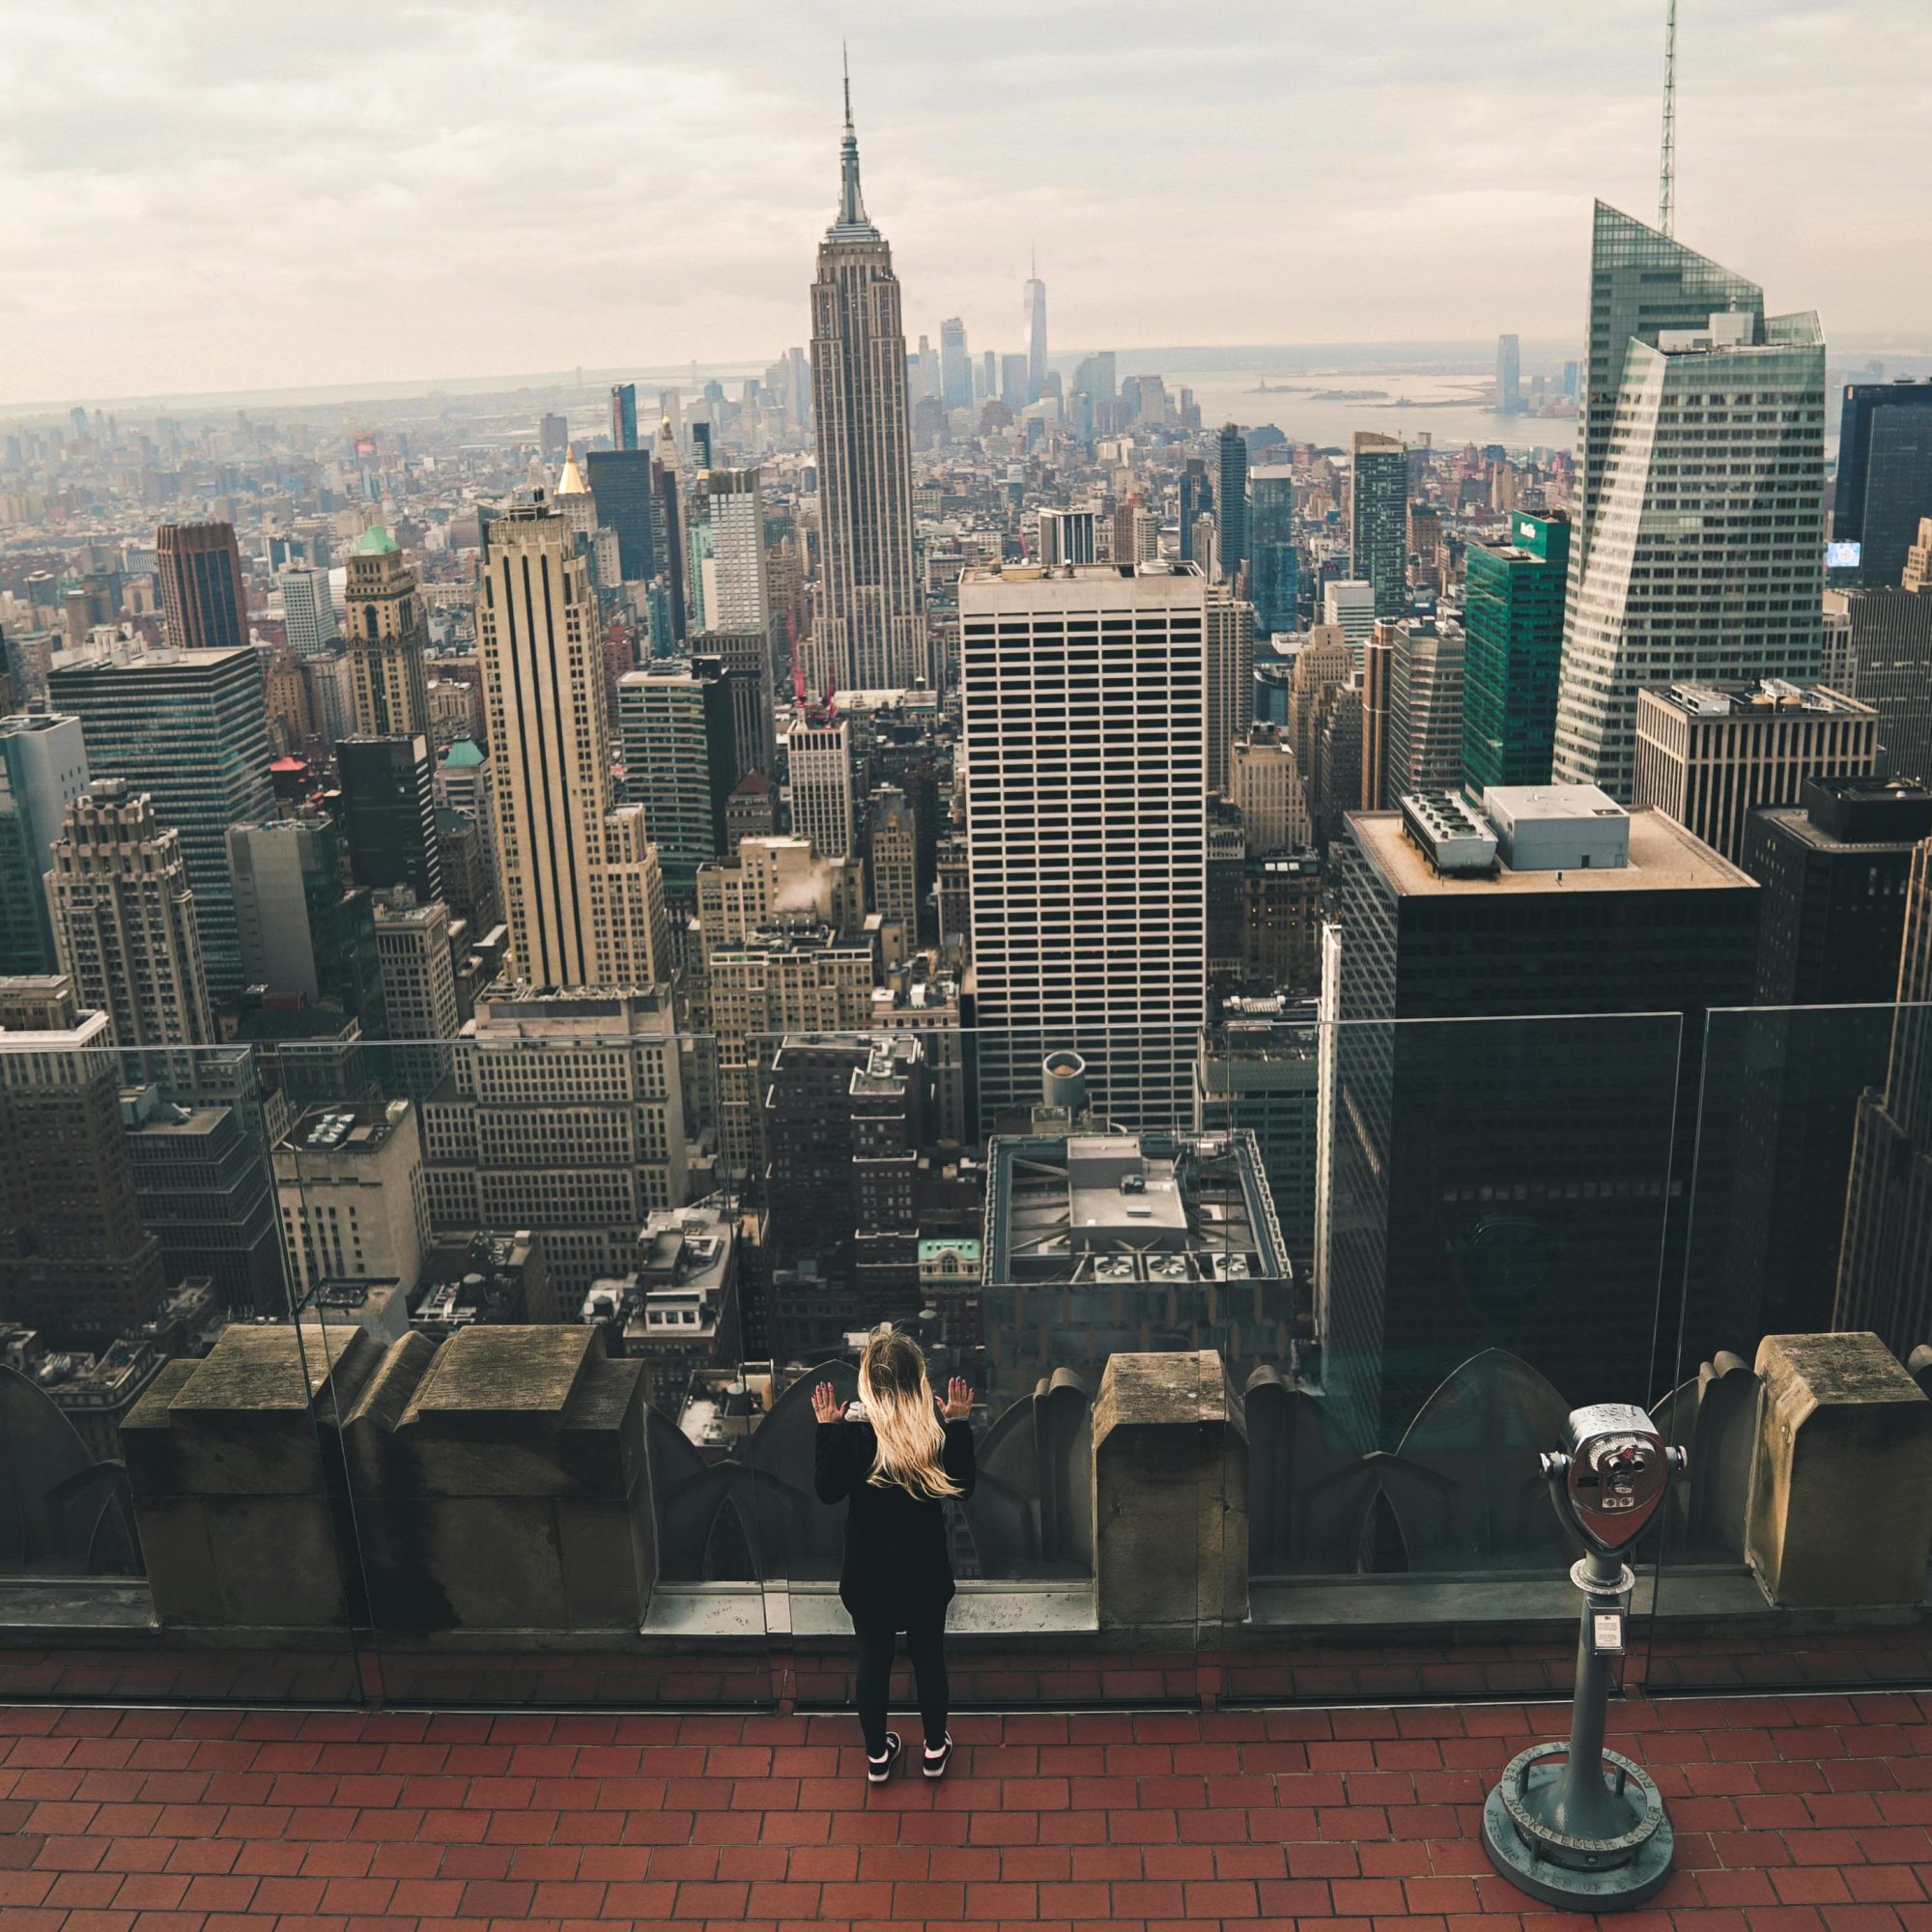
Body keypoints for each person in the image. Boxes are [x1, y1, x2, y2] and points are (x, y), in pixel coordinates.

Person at [812, 1332, 976, 1783]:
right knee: (928, 1657)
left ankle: (877, 1757)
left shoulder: (852, 1435)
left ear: (868, 1382)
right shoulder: (932, 1433)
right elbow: (963, 1487)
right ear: (917, 1380)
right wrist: (959, 1423)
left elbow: (827, 1491)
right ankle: (935, 1749)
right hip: (923, 1573)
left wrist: (827, 1428)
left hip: (869, 1577)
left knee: (873, 1660)